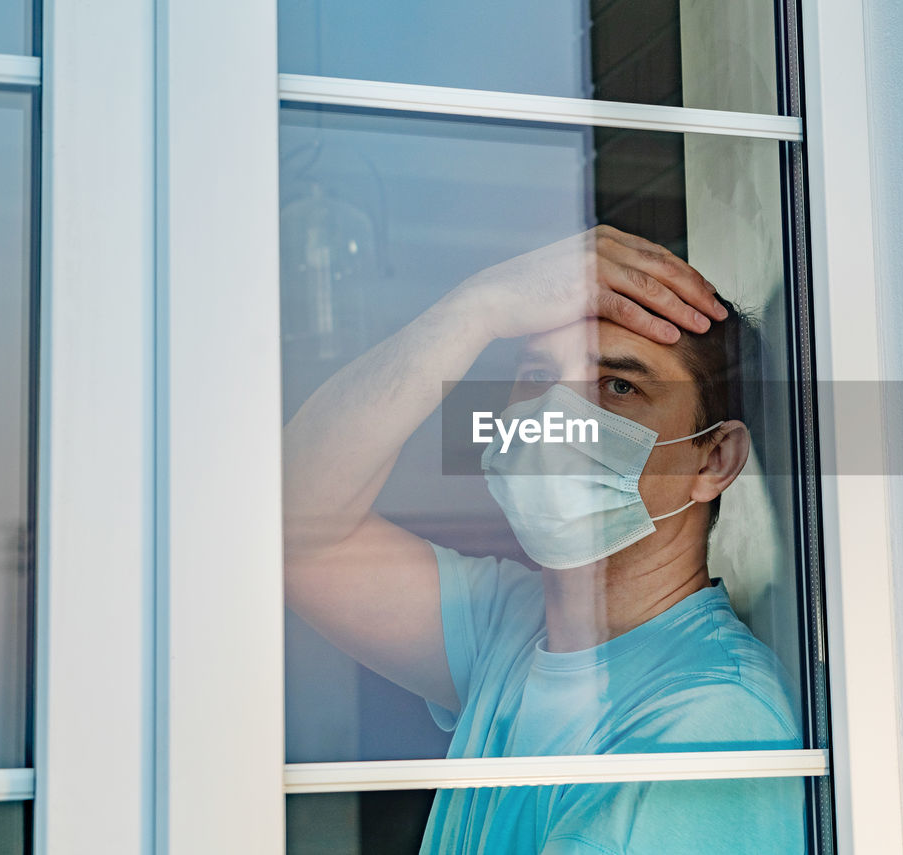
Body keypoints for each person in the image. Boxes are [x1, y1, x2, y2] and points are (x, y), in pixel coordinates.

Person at [282, 224, 806, 853]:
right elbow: (291, 528)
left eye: (619, 386)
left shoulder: (709, 723)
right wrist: (476, 308)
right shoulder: (511, 627)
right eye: (536, 377)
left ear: (713, 461)